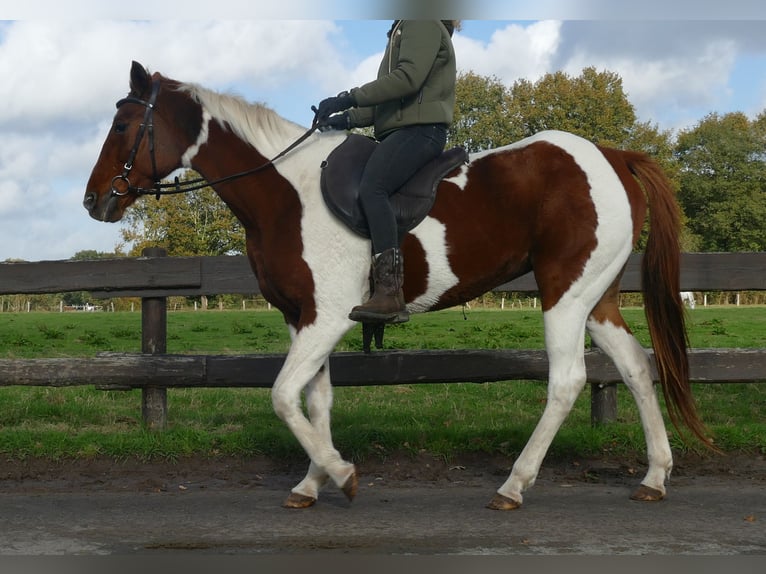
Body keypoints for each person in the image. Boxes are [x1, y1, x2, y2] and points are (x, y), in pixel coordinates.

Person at [314, 20, 458, 324]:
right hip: (399, 132)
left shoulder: (423, 22)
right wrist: (345, 118)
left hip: (420, 131)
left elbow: (407, 80)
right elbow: (386, 99)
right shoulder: (404, 27)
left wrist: (349, 96)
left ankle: (389, 292)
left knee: (372, 188)